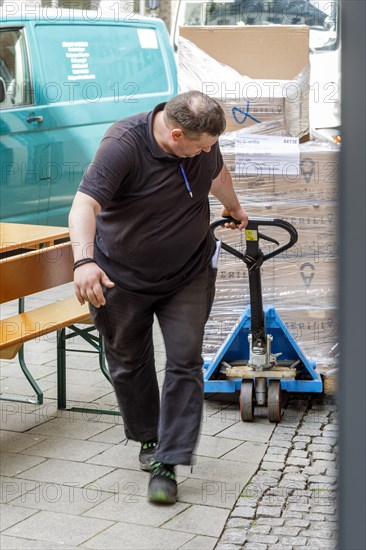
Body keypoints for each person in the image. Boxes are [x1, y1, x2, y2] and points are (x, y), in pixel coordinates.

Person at [69, 90, 248, 505]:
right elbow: (83, 206)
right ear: (176, 134)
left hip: (187, 271)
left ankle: (168, 460)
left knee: (185, 360)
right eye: (200, 146)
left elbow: (217, 172)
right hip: (121, 278)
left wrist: (234, 208)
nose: (207, 151)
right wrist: (83, 262)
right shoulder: (123, 145)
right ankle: (148, 438)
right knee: (129, 361)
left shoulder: (204, 141)